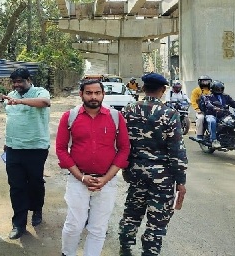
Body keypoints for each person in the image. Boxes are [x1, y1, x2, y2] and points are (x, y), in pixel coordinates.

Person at [56, 80, 130, 256]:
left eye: (97, 93)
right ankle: (67, 253)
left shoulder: (115, 117)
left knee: (98, 228)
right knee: (74, 225)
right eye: (89, 93)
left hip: (106, 182)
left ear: (103, 94)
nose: (93, 97)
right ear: (81, 94)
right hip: (78, 181)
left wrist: (106, 179)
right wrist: (81, 177)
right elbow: (61, 149)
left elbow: (124, 149)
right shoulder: (70, 116)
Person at [119, 72, 187, 256]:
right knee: (157, 221)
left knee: (132, 213)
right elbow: (177, 151)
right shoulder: (170, 114)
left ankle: (125, 247)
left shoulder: (128, 110)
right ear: (163, 90)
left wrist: (125, 167)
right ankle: (149, 252)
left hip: (135, 173)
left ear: (143, 88)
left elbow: (121, 143)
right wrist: (181, 181)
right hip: (162, 177)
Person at [2, 68, 51, 240]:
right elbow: (11, 120)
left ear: (29, 80)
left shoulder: (40, 92)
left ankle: (37, 209)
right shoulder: (11, 96)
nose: (17, 84)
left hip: (36, 148)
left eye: (20, 81)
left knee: (35, 183)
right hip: (13, 148)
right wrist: (7, 142)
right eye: (14, 82)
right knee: (16, 186)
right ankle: (18, 224)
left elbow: (44, 102)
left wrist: (20, 101)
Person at [200, 80, 235, 148]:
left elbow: (234, 104)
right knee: (212, 121)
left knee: (233, 121)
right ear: (212, 89)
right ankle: (214, 140)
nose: (219, 90)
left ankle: (232, 137)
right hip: (212, 114)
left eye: (221, 88)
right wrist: (214, 108)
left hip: (223, 115)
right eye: (217, 89)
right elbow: (208, 104)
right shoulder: (207, 96)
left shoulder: (226, 96)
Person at [190, 75, 212, 140]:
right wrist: (197, 109)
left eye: (207, 81)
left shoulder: (212, 90)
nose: (205, 83)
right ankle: (199, 136)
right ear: (200, 82)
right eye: (203, 82)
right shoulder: (196, 90)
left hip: (211, 110)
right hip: (201, 111)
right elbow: (193, 101)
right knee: (200, 118)